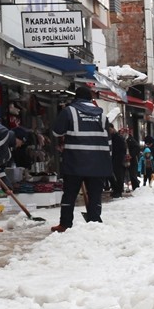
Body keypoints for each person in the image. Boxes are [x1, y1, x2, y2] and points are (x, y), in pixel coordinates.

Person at [50, 85, 111, 232]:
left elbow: (56, 132)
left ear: (76, 98)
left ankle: (65, 224)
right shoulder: (102, 116)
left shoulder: (69, 111)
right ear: (91, 98)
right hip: (98, 163)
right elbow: (108, 140)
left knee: (70, 194)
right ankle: (94, 222)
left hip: (75, 162)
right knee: (95, 196)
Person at [107, 122, 127, 198]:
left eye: (110, 129)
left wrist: (121, 158)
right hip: (112, 159)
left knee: (119, 176)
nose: (109, 131)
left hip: (118, 159)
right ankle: (115, 190)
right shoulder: (110, 137)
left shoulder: (118, 137)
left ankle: (118, 191)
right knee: (111, 175)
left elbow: (123, 148)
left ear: (112, 128)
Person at [124, 127, 141, 191]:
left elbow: (137, 148)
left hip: (131, 160)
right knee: (128, 175)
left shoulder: (130, 140)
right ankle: (132, 187)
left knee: (132, 175)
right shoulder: (125, 139)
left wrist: (131, 155)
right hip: (126, 159)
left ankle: (136, 187)